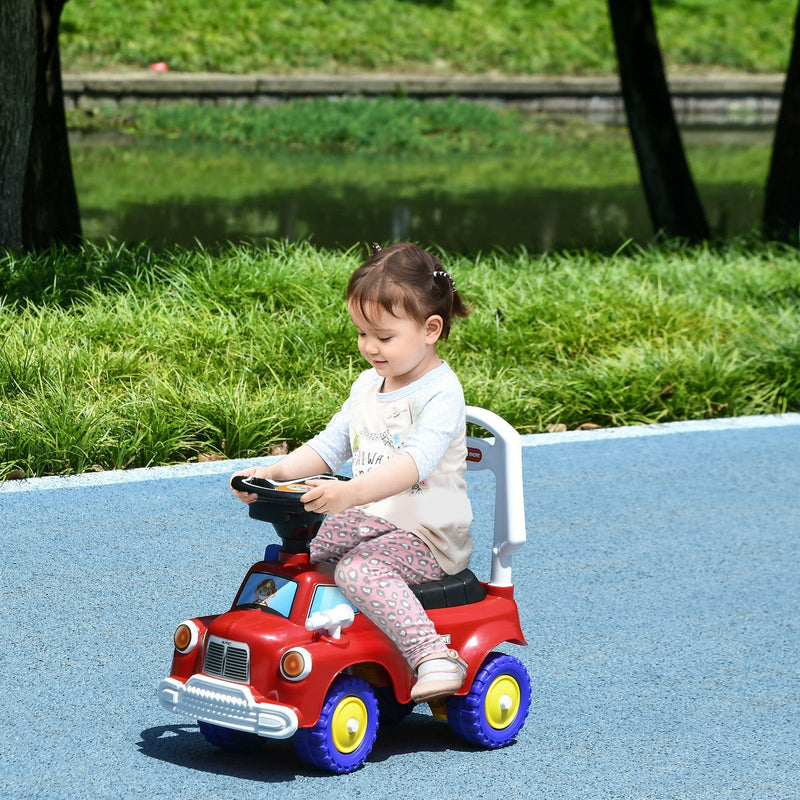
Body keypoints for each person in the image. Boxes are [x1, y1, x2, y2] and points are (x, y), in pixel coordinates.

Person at [231, 241, 472, 702]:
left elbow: (413, 465)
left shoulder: (440, 393)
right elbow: (328, 448)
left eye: (383, 336)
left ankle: (431, 654)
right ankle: (310, 645)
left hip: (428, 535)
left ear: (430, 329)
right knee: (307, 552)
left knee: (359, 569)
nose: (369, 347)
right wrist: (273, 474)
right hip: (373, 519)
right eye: (362, 333)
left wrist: (351, 494)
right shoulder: (367, 385)